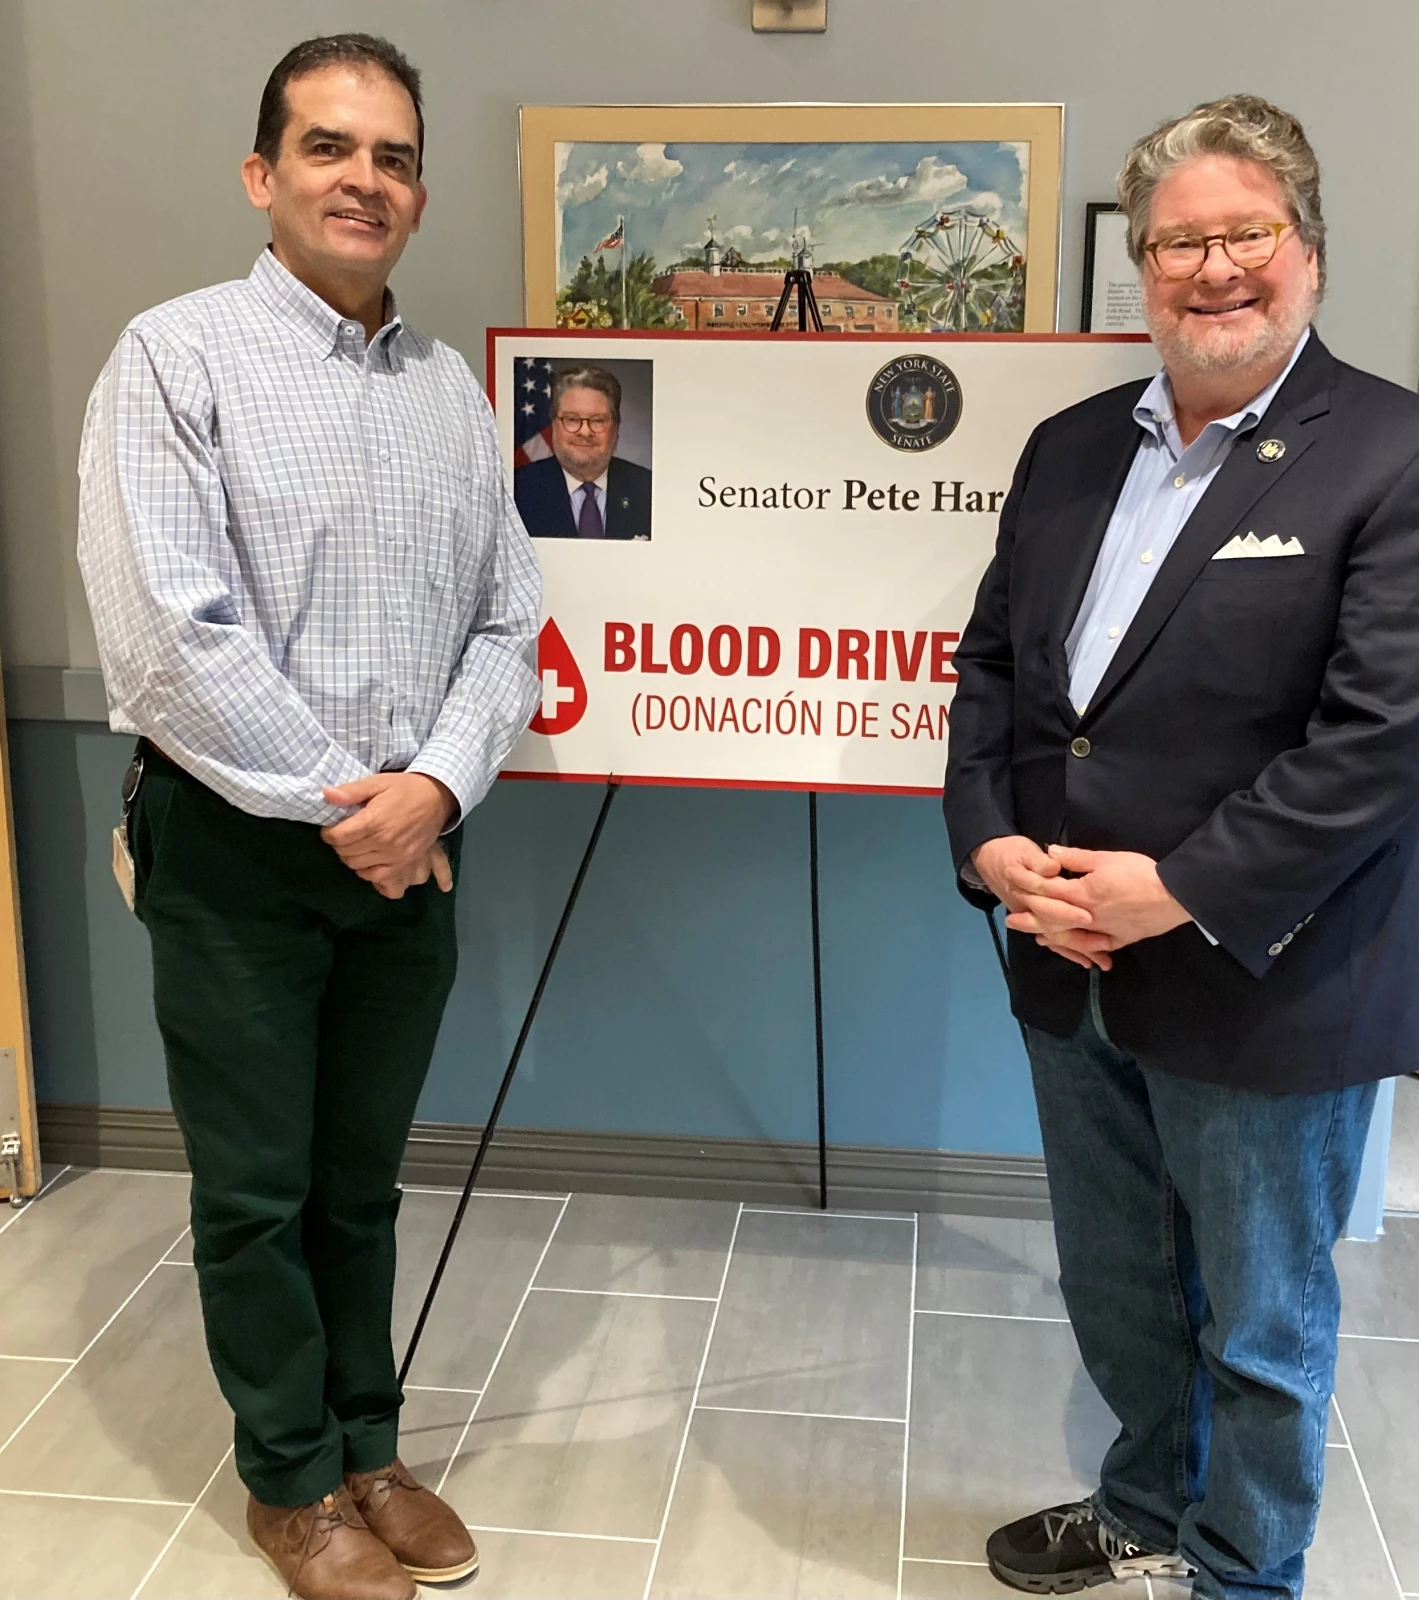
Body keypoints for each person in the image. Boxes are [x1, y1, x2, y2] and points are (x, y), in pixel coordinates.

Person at [943, 94, 1419, 1600]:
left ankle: (1245, 1571)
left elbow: (1379, 740)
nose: (1212, 270)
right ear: (1144, 266)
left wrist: (1177, 888)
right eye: (1178, 242)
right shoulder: (1065, 450)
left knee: (1257, 1318)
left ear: (1306, 250)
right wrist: (994, 851)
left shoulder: (1405, 458)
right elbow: (992, 672)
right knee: (1120, 1284)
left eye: (1244, 234)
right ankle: (1142, 1502)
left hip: (1268, 977)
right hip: (1067, 959)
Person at [76, 34, 542, 1600]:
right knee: (255, 1187)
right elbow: (167, 637)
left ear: (416, 191)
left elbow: (507, 622)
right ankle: (288, 1477)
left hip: (412, 848)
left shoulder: (447, 394)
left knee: (358, 1179)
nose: (365, 178)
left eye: (394, 156)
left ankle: (367, 1443)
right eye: (330, 147)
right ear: (261, 174)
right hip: (237, 848)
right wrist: (356, 807)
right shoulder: (175, 358)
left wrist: (433, 793)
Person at [515, 363, 653, 539]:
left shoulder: (648, 489)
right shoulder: (518, 490)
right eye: (572, 419)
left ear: (616, 428)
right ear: (554, 426)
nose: (585, 432)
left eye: (598, 420)